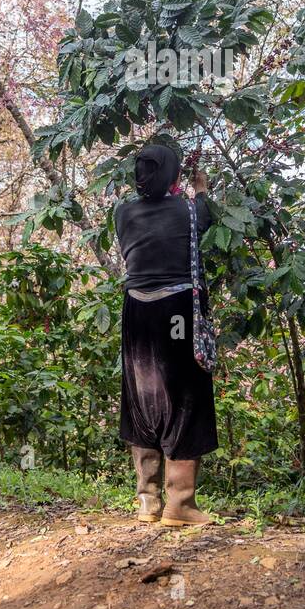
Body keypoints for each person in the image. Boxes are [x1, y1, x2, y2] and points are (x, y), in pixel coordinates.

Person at [113, 144, 218, 526]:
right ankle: (181, 504)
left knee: (142, 398)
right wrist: (201, 188)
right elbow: (205, 217)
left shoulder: (122, 213)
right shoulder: (189, 209)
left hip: (137, 311)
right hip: (177, 313)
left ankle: (148, 501)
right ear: (175, 176)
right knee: (184, 399)